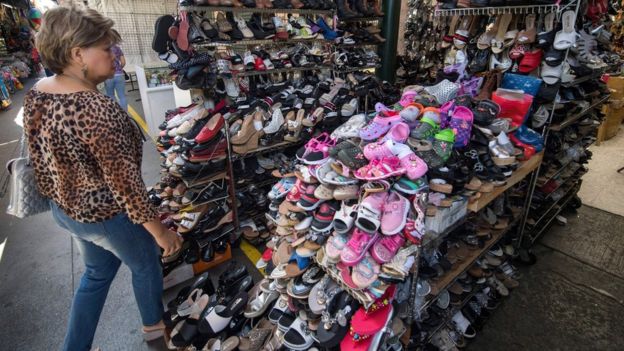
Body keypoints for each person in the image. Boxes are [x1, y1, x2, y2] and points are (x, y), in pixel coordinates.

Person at [23, 6, 182, 351]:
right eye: (106, 48)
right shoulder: (98, 111)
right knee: (145, 264)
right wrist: (161, 233)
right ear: (77, 53)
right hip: (106, 216)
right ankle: (156, 334)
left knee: (96, 274)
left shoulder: (39, 91)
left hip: (67, 211)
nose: (115, 55)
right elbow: (126, 187)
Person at [104, 43, 127, 110]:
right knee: (122, 96)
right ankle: (125, 115)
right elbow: (123, 62)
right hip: (119, 74)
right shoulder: (117, 48)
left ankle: (115, 113)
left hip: (108, 75)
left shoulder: (103, 48)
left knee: (111, 95)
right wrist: (119, 68)